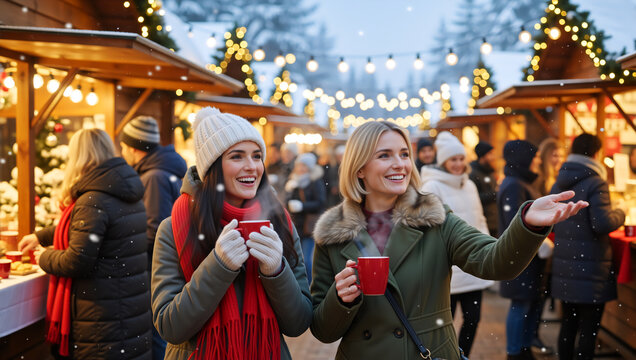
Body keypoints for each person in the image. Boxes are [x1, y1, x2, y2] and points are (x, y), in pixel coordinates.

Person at [309, 121, 587, 360]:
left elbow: (495, 262)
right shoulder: (333, 233)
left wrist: (525, 222)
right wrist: (341, 299)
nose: (401, 164)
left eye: (405, 154)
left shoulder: (435, 218)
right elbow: (322, 330)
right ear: (359, 168)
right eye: (385, 155)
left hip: (429, 352)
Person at [151, 107, 312, 360]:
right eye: (237, 157)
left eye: (257, 156)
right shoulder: (175, 228)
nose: (252, 167)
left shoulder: (280, 223)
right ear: (212, 166)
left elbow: (299, 322)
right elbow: (170, 326)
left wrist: (276, 271)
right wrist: (218, 266)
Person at [18, 129, 151, 359]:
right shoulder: (122, 191)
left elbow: (77, 260)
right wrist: (41, 236)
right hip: (128, 315)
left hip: (102, 323)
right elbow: (89, 230)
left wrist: (44, 257)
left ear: (79, 156)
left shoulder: (93, 199)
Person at [550, 133, 626, 360]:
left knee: (569, 324)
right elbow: (602, 223)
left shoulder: (560, 180)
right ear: (596, 153)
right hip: (590, 268)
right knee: (589, 328)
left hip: (566, 267)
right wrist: (620, 212)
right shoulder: (596, 182)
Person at [120, 115, 187, 359]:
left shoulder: (154, 177)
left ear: (133, 147)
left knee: (157, 330)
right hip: (167, 263)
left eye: (124, 146)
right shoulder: (164, 169)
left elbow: (154, 229)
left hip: (154, 266)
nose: (122, 151)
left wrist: (126, 249)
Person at [420, 132, 494, 356]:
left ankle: (463, 355)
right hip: (447, 270)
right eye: (453, 159)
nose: (459, 164)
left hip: (472, 266)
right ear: (443, 161)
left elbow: (480, 220)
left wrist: (488, 249)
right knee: (444, 324)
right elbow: (427, 230)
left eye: (461, 159)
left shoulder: (469, 184)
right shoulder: (432, 186)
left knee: (473, 319)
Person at [498, 140, 553, 360]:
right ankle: (514, 352)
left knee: (530, 303)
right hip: (520, 257)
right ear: (525, 159)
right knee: (520, 304)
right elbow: (515, 223)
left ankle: (524, 348)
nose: (539, 160)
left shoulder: (523, 181)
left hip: (530, 256)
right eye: (535, 156)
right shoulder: (514, 184)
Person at [285, 152, 327, 285]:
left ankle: (309, 285)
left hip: (309, 227)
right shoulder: (293, 181)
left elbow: (321, 202)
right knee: (296, 258)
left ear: (310, 167)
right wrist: (288, 192)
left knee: (308, 260)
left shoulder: (315, 181)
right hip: (296, 225)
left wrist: (302, 206)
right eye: (299, 165)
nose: (300, 168)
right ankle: (298, 284)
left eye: (304, 166)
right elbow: (287, 204)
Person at [469, 141, 499, 237]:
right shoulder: (473, 173)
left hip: (494, 221)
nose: (493, 157)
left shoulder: (489, 171)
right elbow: (474, 198)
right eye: (490, 154)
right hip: (484, 222)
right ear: (482, 155)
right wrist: (495, 194)